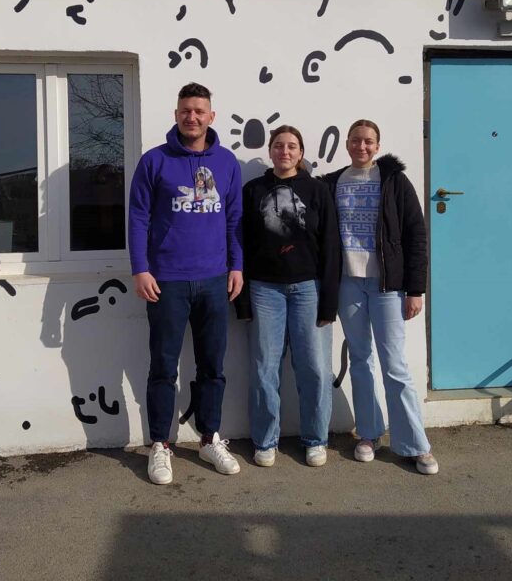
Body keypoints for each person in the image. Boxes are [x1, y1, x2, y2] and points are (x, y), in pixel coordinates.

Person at [128, 82, 244, 485]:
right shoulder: (154, 161)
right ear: (176, 114)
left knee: (213, 365)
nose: (191, 117)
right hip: (166, 282)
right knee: (163, 366)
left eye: (199, 111)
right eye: (185, 110)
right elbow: (138, 217)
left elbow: (234, 219)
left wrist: (236, 266)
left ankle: (210, 438)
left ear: (211, 116)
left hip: (214, 280)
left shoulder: (227, 162)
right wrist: (140, 268)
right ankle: (160, 444)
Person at [320, 119, 439, 475]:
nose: (362, 146)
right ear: (347, 143)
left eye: (368, 141)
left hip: (388, 286)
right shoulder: (332, 182)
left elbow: (416, 235)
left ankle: (415, 444)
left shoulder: (394, 181)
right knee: (360, 360)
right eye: (356, 140)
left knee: (395, 365)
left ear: (377, 145)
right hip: (348, 283)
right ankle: (368, 434)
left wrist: (415, 289)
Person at [239, 125, 340, 467]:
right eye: (279, 146)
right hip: (263, 289)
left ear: (300, 153)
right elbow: (241, 244)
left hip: (308, 289)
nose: (285, 151)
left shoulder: (317, 190)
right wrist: (242, 301)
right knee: (264, 368)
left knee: (314, 368)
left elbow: (331, 246)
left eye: (292, 146)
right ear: (270, 151)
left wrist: (329, 301)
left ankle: (315, 438)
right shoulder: (253, 190)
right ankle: (266, 441)